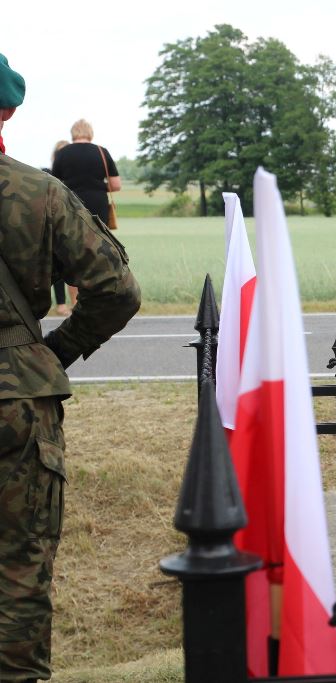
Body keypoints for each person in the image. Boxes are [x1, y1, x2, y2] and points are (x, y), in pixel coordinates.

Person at [0, 53, 141, 682]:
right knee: (19, 569)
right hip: (14, 397)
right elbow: (117, 289)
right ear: (7, 110)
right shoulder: (37, 193)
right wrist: (53, 352)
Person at [51, 119, 121, 313]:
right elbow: (116, 185)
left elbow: (54, 184)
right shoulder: (101, 151)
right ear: (90, 132)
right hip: (98, 207)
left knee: (71, 255)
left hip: (71, 206)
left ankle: (74, 303)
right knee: (100, 254)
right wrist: (97, 187)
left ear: (73, 133)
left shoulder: (63, 153)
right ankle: (101, 300)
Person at [43, 140, 71, 315]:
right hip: (51, 224)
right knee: (56, 263)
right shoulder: (47, 176)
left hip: (66, 222)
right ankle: (60, 303)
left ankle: (74, 302)